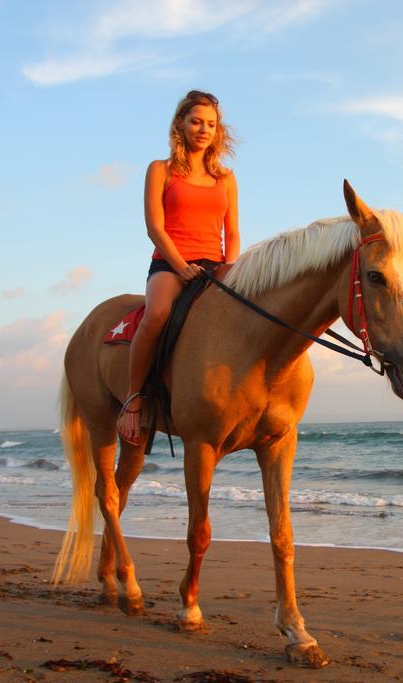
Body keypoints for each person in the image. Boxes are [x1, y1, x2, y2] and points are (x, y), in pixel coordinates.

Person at [117, 90, 239, 445]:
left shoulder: (226, 178)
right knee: (157, 314)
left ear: (218, 131)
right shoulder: (161, 170)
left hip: (215, 266)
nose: (204, 129)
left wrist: (230, 269)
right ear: (180, 124)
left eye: (211, 124)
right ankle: (134, 399)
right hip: (170, 264)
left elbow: (231, 231)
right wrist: (181, 266)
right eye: (196, 121)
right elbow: (155, 227)